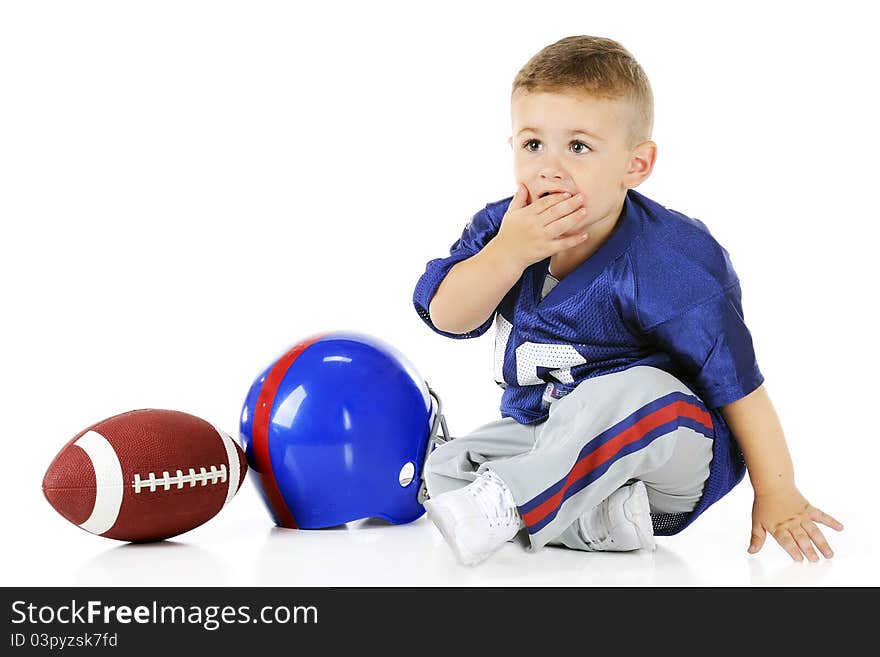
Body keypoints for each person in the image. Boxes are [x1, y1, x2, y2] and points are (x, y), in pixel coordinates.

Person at [412, 35, 843, 567]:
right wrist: (507, 255)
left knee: (632, 391)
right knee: (449, 467)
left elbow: (741, 388)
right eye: (532, 145)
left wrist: (778, 491)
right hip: (555, 445)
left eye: (578, 147)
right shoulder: (502, 230)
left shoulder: (668, 259)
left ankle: (511, 500)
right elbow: (448, 316)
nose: (548, 168)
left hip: (671, 450)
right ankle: (600, 520)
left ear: (636, 165)